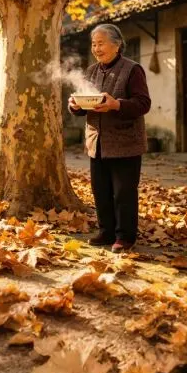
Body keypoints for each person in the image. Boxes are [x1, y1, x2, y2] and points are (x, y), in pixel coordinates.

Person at [68, 23, 151, 253]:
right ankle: (106, 231)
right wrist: (75, 105)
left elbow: (143, 103)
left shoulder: (132, 70)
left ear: (117, 44)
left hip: (126, 143)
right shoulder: (92, 71)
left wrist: (116, 104)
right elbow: (85, 105)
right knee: (101, 190)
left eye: (101, 43)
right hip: (98, 143)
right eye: (94, 44)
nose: (96, 48)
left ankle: (125, 237)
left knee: (123, 192)